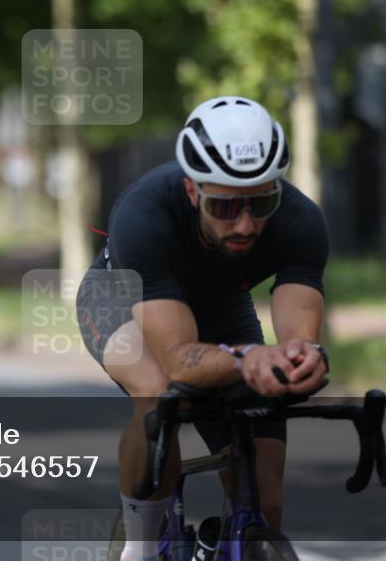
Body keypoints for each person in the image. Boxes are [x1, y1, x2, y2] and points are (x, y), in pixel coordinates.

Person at [76, 96, 330, 561]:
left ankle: (230, 541)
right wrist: (246, 359)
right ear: (193, 192)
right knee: (160, 393)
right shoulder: (144, 214)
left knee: (265, 501)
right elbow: (178, 359)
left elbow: (298, 331)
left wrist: (300, 358)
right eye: (226, 207)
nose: (248, 224)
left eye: (262, 202)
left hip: (221, 305)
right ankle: (142, 545)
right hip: (124, 298)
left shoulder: (301, 221)